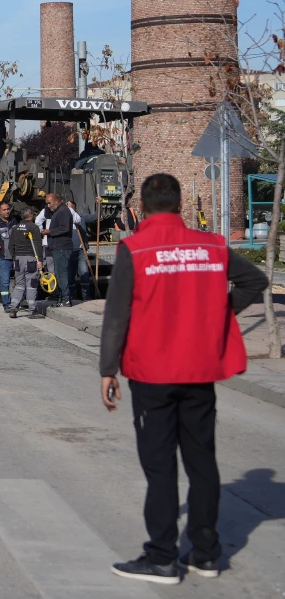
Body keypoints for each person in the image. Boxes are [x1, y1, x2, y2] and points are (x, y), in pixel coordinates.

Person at [101, 173, 267, 585]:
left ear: (140, 206)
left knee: (160, 468)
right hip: (199, 370)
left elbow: (117, 313)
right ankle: (207, 554)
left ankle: (161, 558)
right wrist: (221, 310)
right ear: (178, 205)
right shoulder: (211, 244)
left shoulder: (135, 249)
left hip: (152, 374)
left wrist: (107, 369)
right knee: (202, 461)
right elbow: (256, 280)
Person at [7, 206, 42, 316]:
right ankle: (32, 311)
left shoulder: (15, 228)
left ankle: (13, 308)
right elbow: (37, 245)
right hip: (30, 259)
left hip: (18, 259)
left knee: (19, 284)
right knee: (31, 284)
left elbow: (10, 246)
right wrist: (40, 260)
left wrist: (14, 258)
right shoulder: (34, 227)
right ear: (31, 215)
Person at [42, 192, 76, 307]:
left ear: (57, 201)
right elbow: (47, 215)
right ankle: (62, 299)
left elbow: (65, 228)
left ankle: (66, 299)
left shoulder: (63, 211)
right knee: (59, 273)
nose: (48, 206)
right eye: (46, 203)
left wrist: (50, 232)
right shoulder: (57, 211)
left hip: (62, 247)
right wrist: (46, 205)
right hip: (57, 247)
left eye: (49, 203)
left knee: (61, 274)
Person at [66, 199, 95, 301]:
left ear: (75, 208)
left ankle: (86, 296)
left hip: (81, 250)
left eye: (71, 207)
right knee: (70, 276)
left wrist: (100, 204)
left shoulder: (81, 218)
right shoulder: (64, 220)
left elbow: (95, 216)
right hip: (69, 251)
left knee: (84, 274)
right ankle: (72, 297)